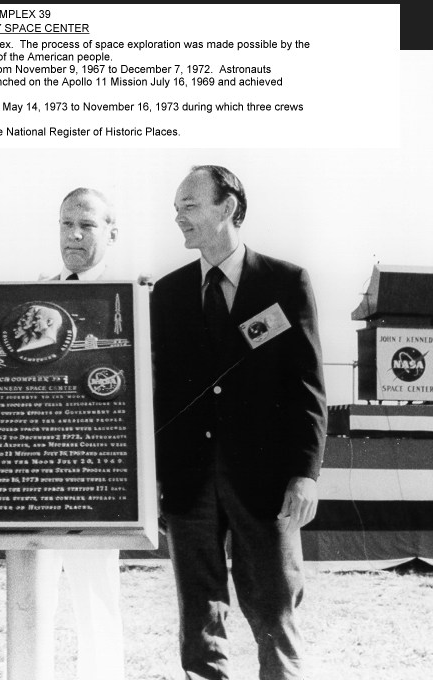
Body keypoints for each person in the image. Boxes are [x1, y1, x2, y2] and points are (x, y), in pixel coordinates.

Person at [151, 165, 327, 680]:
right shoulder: (168, 293)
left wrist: (306, 473)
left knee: (275, 610)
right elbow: (162, 393)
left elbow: (308, 385)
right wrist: (161, 478)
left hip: (266, 483)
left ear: (228, 207)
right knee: (199, 622)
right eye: (177, 208)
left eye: (189, 205)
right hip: (189, 486)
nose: (178, 218)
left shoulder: (285, 282)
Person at [36, 187, 125, 680]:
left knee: (96, 600)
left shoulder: (133, 296)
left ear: (112, 231)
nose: (74, 234)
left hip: (96, 475)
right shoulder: (34, 294)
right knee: (34, 596)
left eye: (87, 225)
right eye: (67, 223)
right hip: (39, 471)